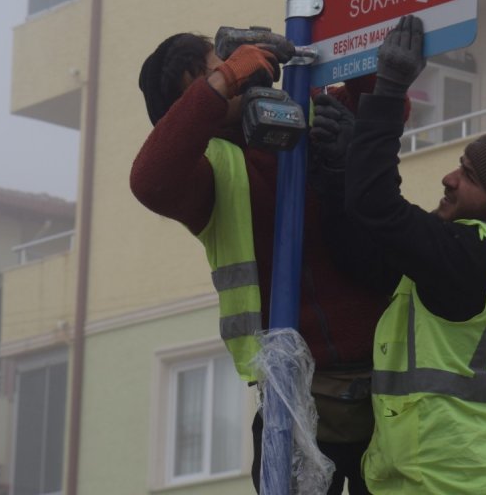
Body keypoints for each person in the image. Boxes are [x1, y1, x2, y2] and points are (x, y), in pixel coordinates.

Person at [130, 25, 399, 494]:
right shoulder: (209, 174)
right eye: (219, 75)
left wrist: (341, 53)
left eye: (229, 66)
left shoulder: (303, 109)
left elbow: (383, 107)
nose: (236, 76)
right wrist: (223, 82)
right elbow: (149, 180)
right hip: (298, 404)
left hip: (393, 386)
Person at [314, 15, 486, 494]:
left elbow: (378, 206)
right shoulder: (469, 258)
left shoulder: (472, 256)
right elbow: (363, 256)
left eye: (468, 176)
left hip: (452, 484)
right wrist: (336, 173)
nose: (449, 178)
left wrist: (388, 93)